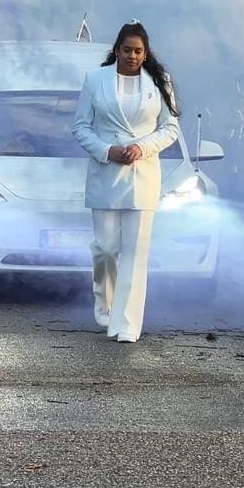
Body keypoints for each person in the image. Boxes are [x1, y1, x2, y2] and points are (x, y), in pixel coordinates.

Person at [71, 22, 181, 342]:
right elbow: (80, 127)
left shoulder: (159, 83)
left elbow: (170, 128)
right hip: (106, 172)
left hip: (143, 175)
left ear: (145, 54)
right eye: (127, 50)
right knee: (106, 249)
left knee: (135, 252)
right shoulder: (95, 80)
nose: (132, 56)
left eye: (138, 51)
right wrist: (108, 150)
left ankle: (128, 324)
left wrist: (141, 147)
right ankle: (105, 306)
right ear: (116, 50)